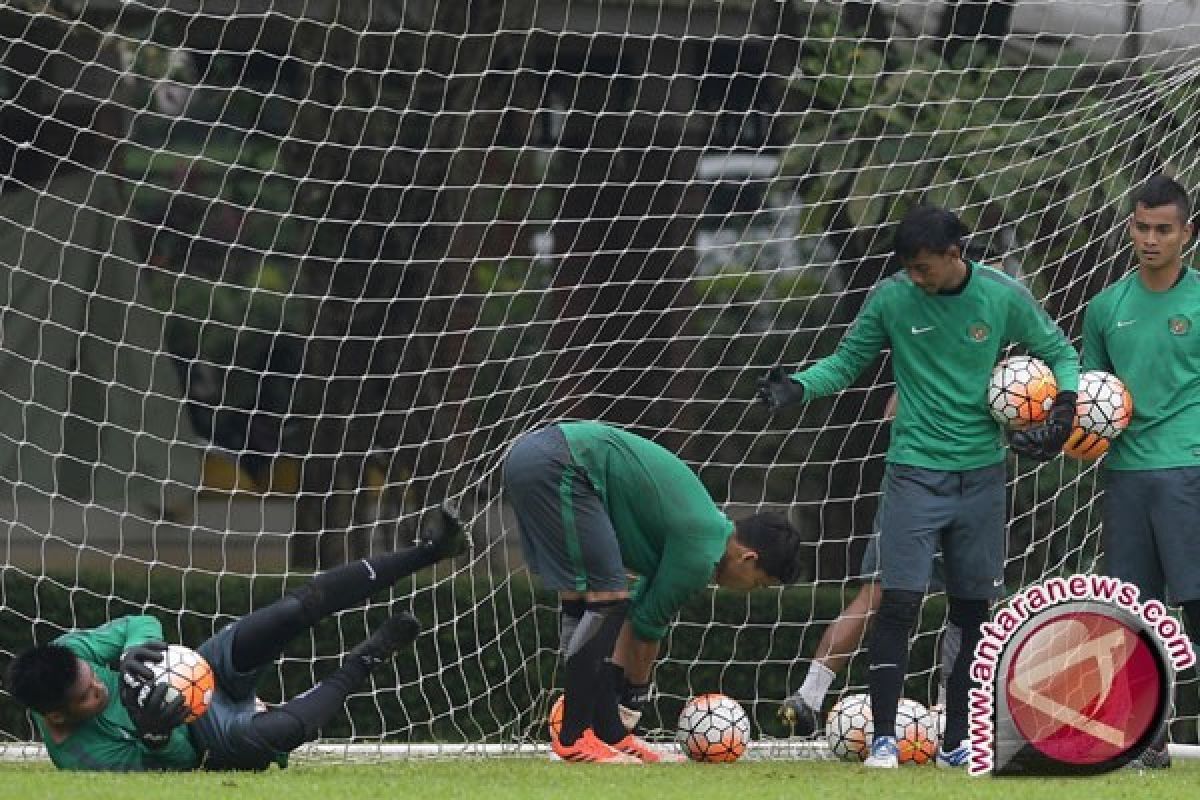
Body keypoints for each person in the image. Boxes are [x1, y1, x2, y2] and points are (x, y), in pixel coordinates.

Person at [758, 204, 1079, 768]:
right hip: (912, 474)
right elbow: (846, 362)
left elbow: (1058, 352)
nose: (916, 277)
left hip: (982, 476)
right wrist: (799, 387)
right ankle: (884, 739)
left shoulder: (1002, 296)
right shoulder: (891, 298)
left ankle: (957, 741)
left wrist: (1065, 407)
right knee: (898, 603)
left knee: (972, 611)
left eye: (924, 267)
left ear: (956, 256)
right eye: (908, 267)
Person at [5, 504, 467, 771]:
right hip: (207, 739)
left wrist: (132, 650)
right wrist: (157, 734)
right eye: (88, 696)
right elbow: (183, 766)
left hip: (202, 668)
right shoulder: (83, 756)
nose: (100, 686)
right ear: (57, 715)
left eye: (94, 678)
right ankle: (368, 657)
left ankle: (429, 551)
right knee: (280, 732)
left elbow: (140, 622)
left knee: (294, 609)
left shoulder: (70, 653)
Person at [503, 420, 805, 764]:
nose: (748, 591)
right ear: (748, 558)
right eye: (758, 583)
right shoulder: (701, 555)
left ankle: (608, 734)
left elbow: (638, 614)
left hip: (538, 456)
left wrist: (620, 710)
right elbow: (646, 629)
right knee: (607, 599)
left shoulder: (704, 528)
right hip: (561, 465)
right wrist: (634, 696)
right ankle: (574, 736)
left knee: (584, 599)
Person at [1078, 175, 1199, 770]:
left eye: (1163, 229)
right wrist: (1069, 433)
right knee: (1134, 612)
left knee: (1198, 607)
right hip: (1125, 476)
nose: (1150, 239)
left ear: (1186, 234)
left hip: (1189, 473)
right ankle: (1146, 735)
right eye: (1141, 227)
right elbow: (1089, 400)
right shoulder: (1106, 308)